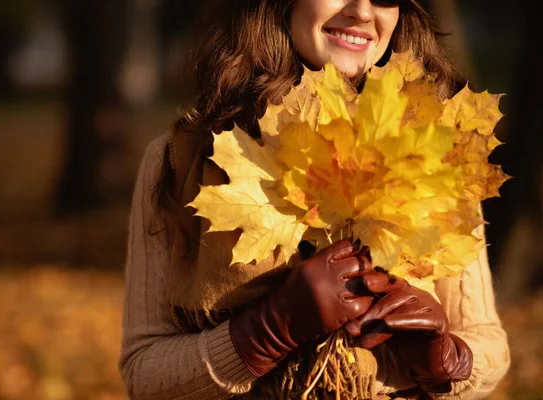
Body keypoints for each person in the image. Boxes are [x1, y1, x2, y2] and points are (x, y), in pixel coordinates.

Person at [118, 0, 511, 399]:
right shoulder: (184, 158)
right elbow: (143, 374)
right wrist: (262, 334)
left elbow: (489, 344)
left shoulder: (435, 149)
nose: (361, 11)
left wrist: (447, 361)